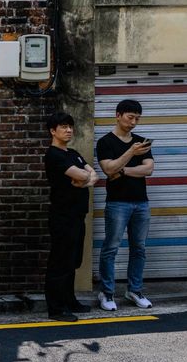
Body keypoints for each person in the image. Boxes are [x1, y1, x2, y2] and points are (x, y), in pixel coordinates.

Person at [95, 99, 155, 311]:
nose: (134, 122)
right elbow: (108, 169)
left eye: (137, 118)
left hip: (141, 202)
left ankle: (135, 290)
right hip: (117, 203)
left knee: (139, 248)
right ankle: (107, 292)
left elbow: (148, 169)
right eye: (130, 117)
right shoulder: (105, 142)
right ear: (118, 115)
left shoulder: (142, 141)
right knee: (111, 247)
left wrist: (122, 171)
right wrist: (130, 154)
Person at [44, 112, 97, 322]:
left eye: (70, 127)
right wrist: (84, 176)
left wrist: (82, 179)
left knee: (73, 261)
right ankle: (56, 308)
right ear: (53, 131)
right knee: (60, 262)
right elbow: (86, 175)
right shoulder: (53, 155)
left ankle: (69, 300)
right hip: (62, 216)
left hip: (77, 215)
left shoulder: (73, 153)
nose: (68, 130)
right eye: (63, 127)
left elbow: (93, 175)